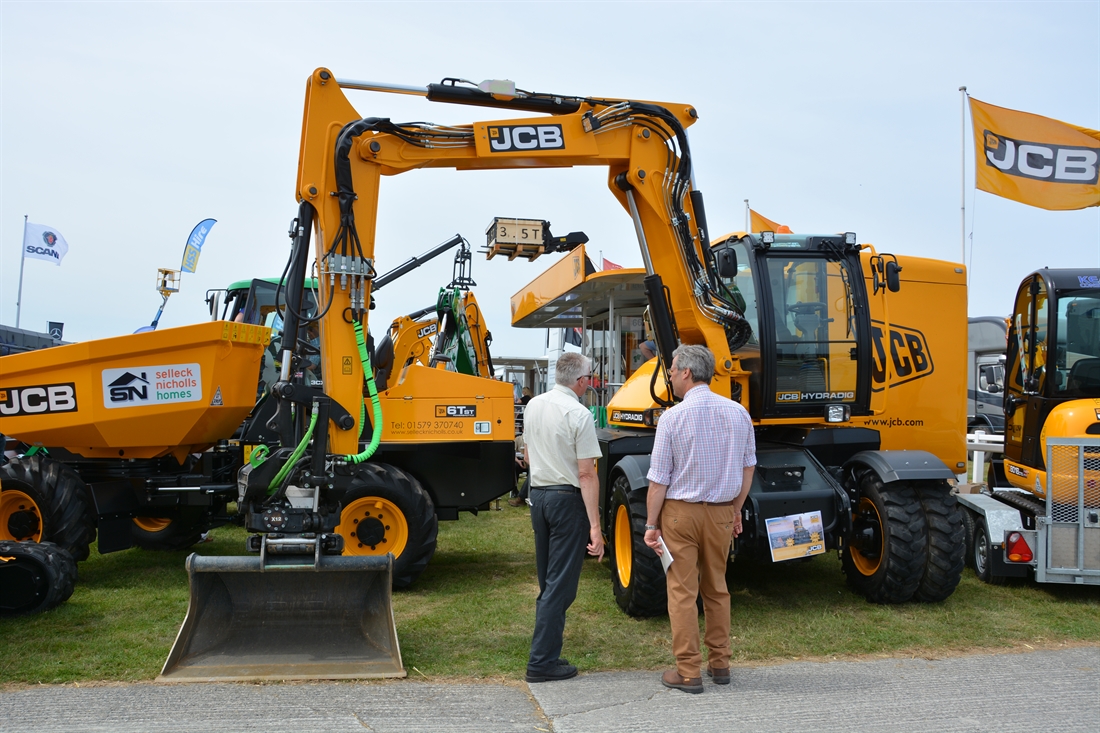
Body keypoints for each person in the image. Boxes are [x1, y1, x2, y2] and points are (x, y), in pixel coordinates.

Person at [643, 344, 756, 694]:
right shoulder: (738, 412)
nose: (672, 376)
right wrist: (735, 509)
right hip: (722, 511)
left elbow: (659, 480)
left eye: (674, 371)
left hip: (681, 513)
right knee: (717, 589)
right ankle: (720, 664)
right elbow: (748, 466)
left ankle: (688, 670)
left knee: (681, 591)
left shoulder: (673, 418)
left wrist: (650, 524)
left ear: (687, 373)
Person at [521, 352, 604, 683]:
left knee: (548, 582)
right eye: (589, 379)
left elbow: (527, 455)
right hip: (565, 499)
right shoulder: (579, 413)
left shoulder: (534, 405)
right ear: (581, 382)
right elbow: (586, 474)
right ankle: (541, 662)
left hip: (538, 495)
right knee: (559, 587)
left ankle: (546, 653)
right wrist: (595, 527)